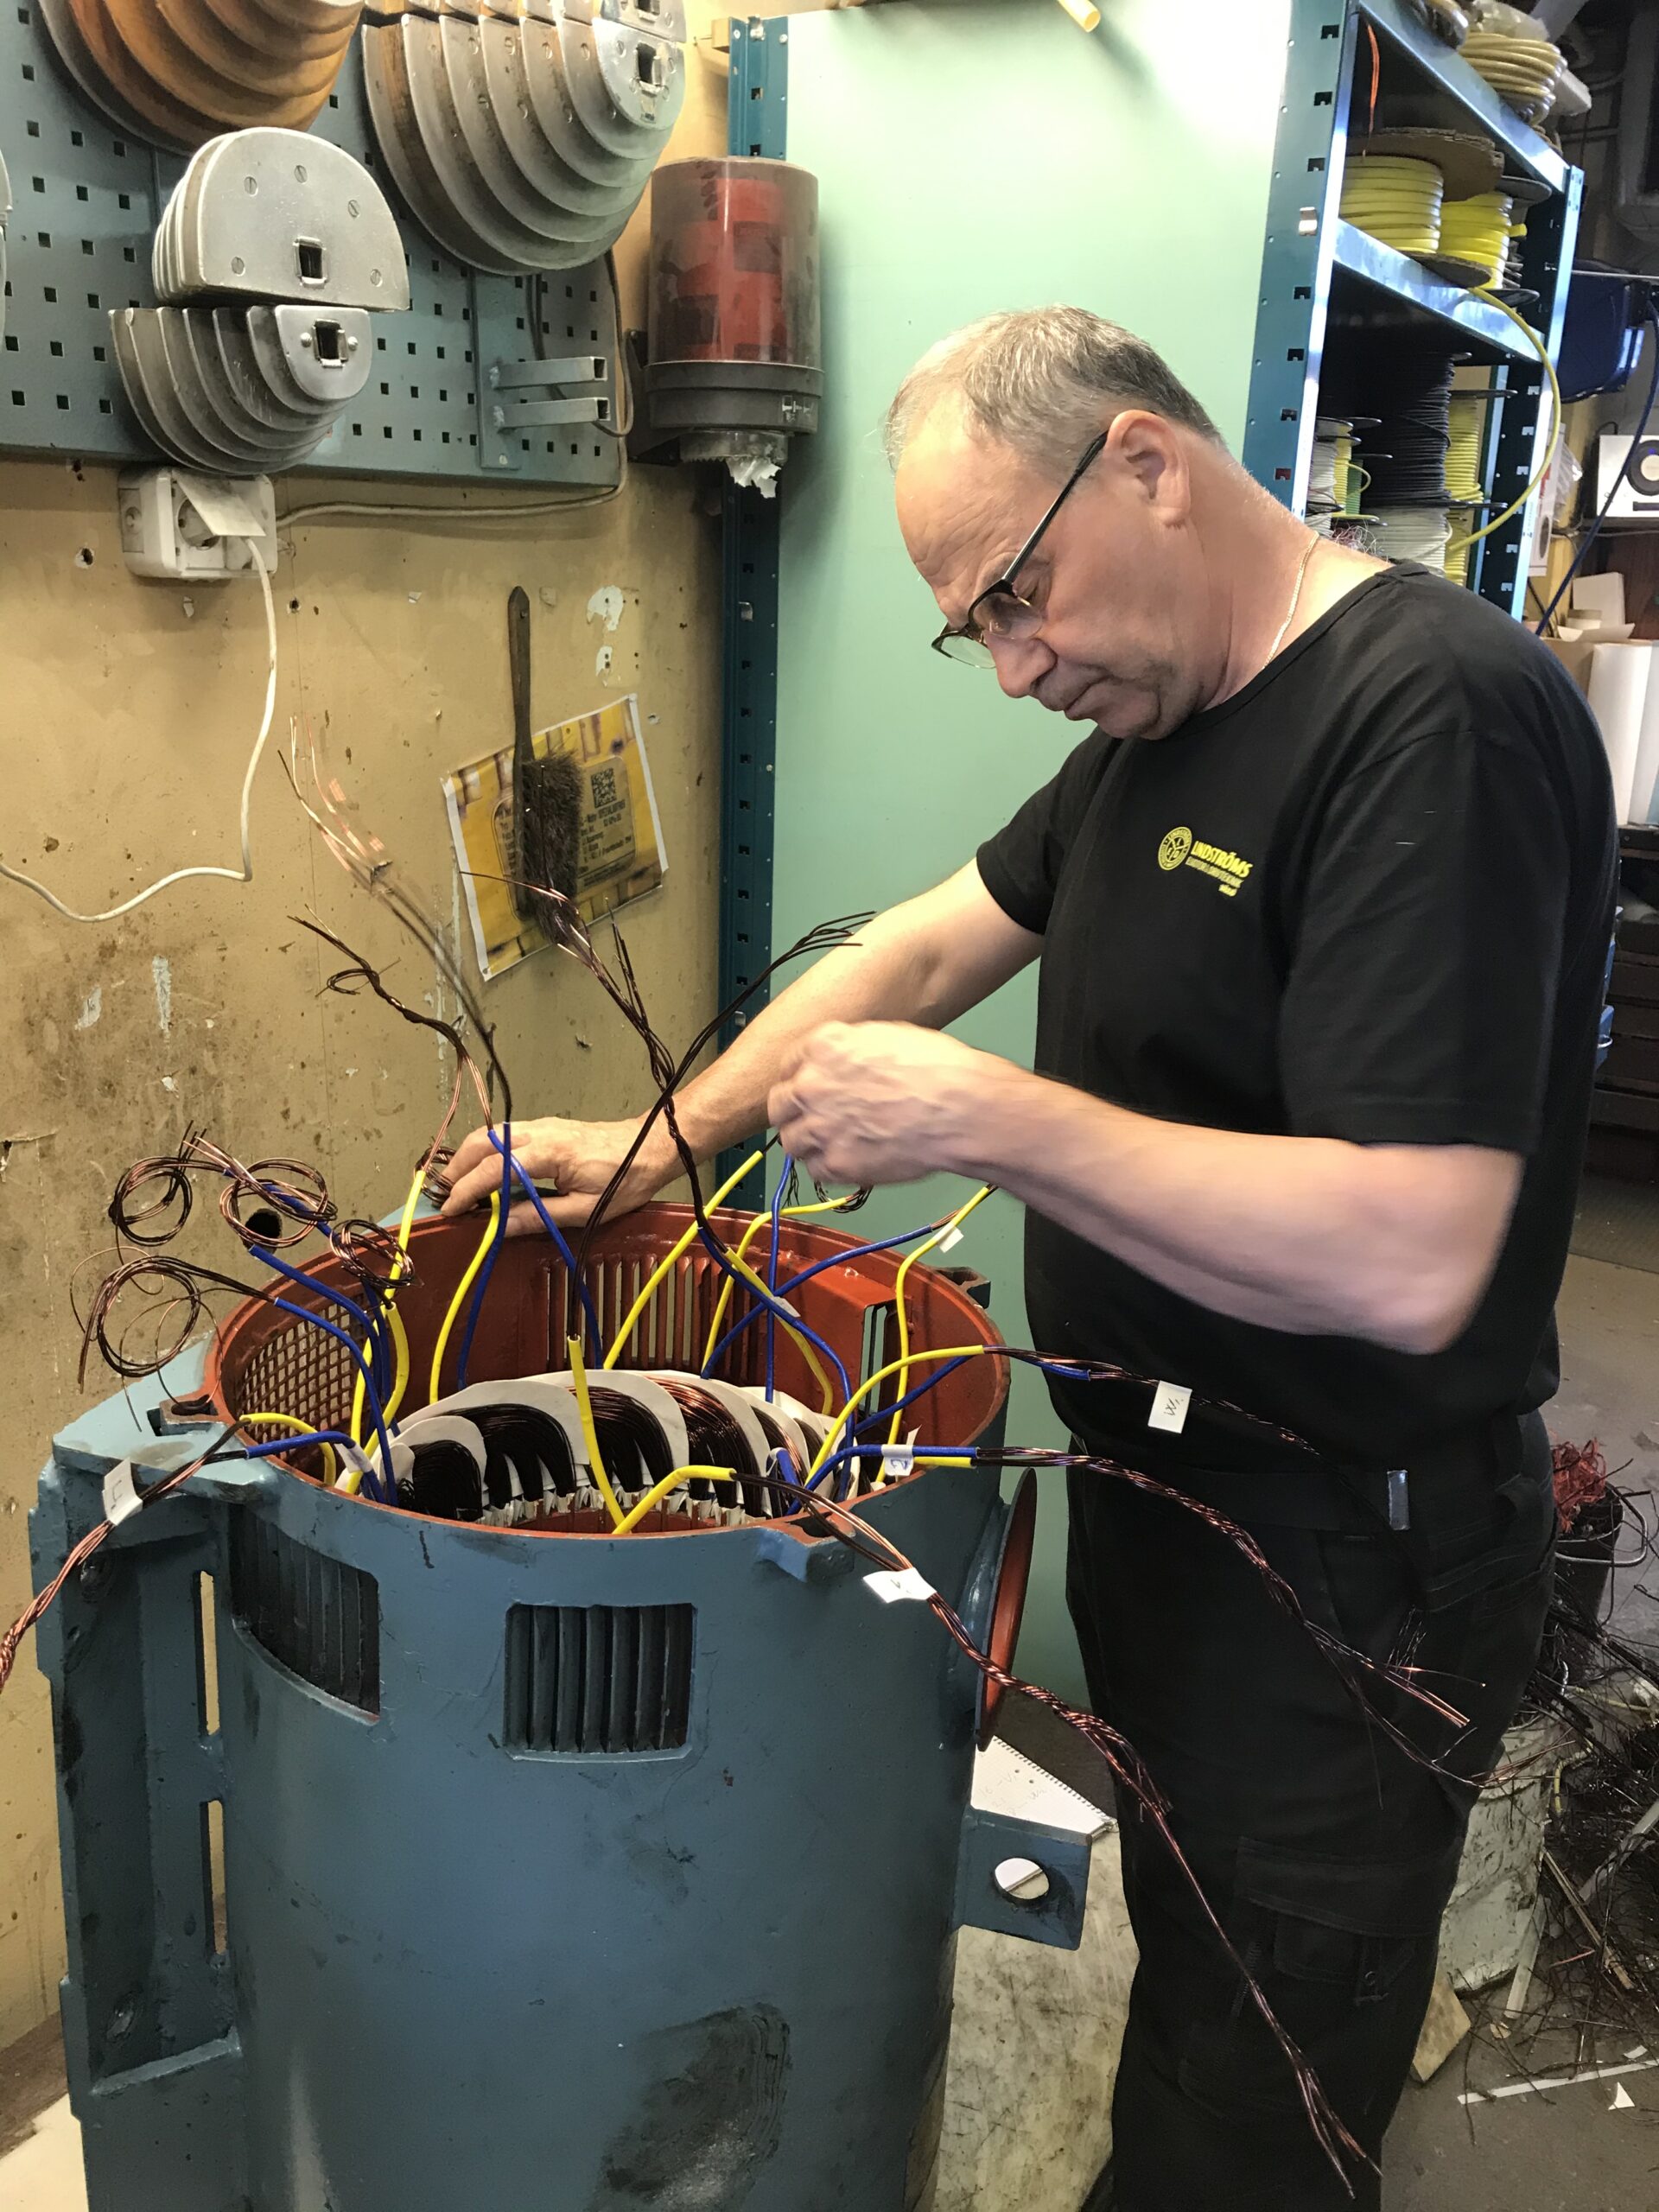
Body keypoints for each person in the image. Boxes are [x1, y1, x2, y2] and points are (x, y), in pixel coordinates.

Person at [441, 308, 1618, 2210]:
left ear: (1145, 463)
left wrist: (993, 1118)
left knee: (1256, 2086)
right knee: (1201, 1964)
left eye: (1018, 595)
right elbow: (923, 945)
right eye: (971, 627)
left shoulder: (1432, 720)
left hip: (1349, 1566)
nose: (1015, 664)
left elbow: (1414, 1255)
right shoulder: (1161, 717)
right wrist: (666, 1139)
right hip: (1175, 1502)